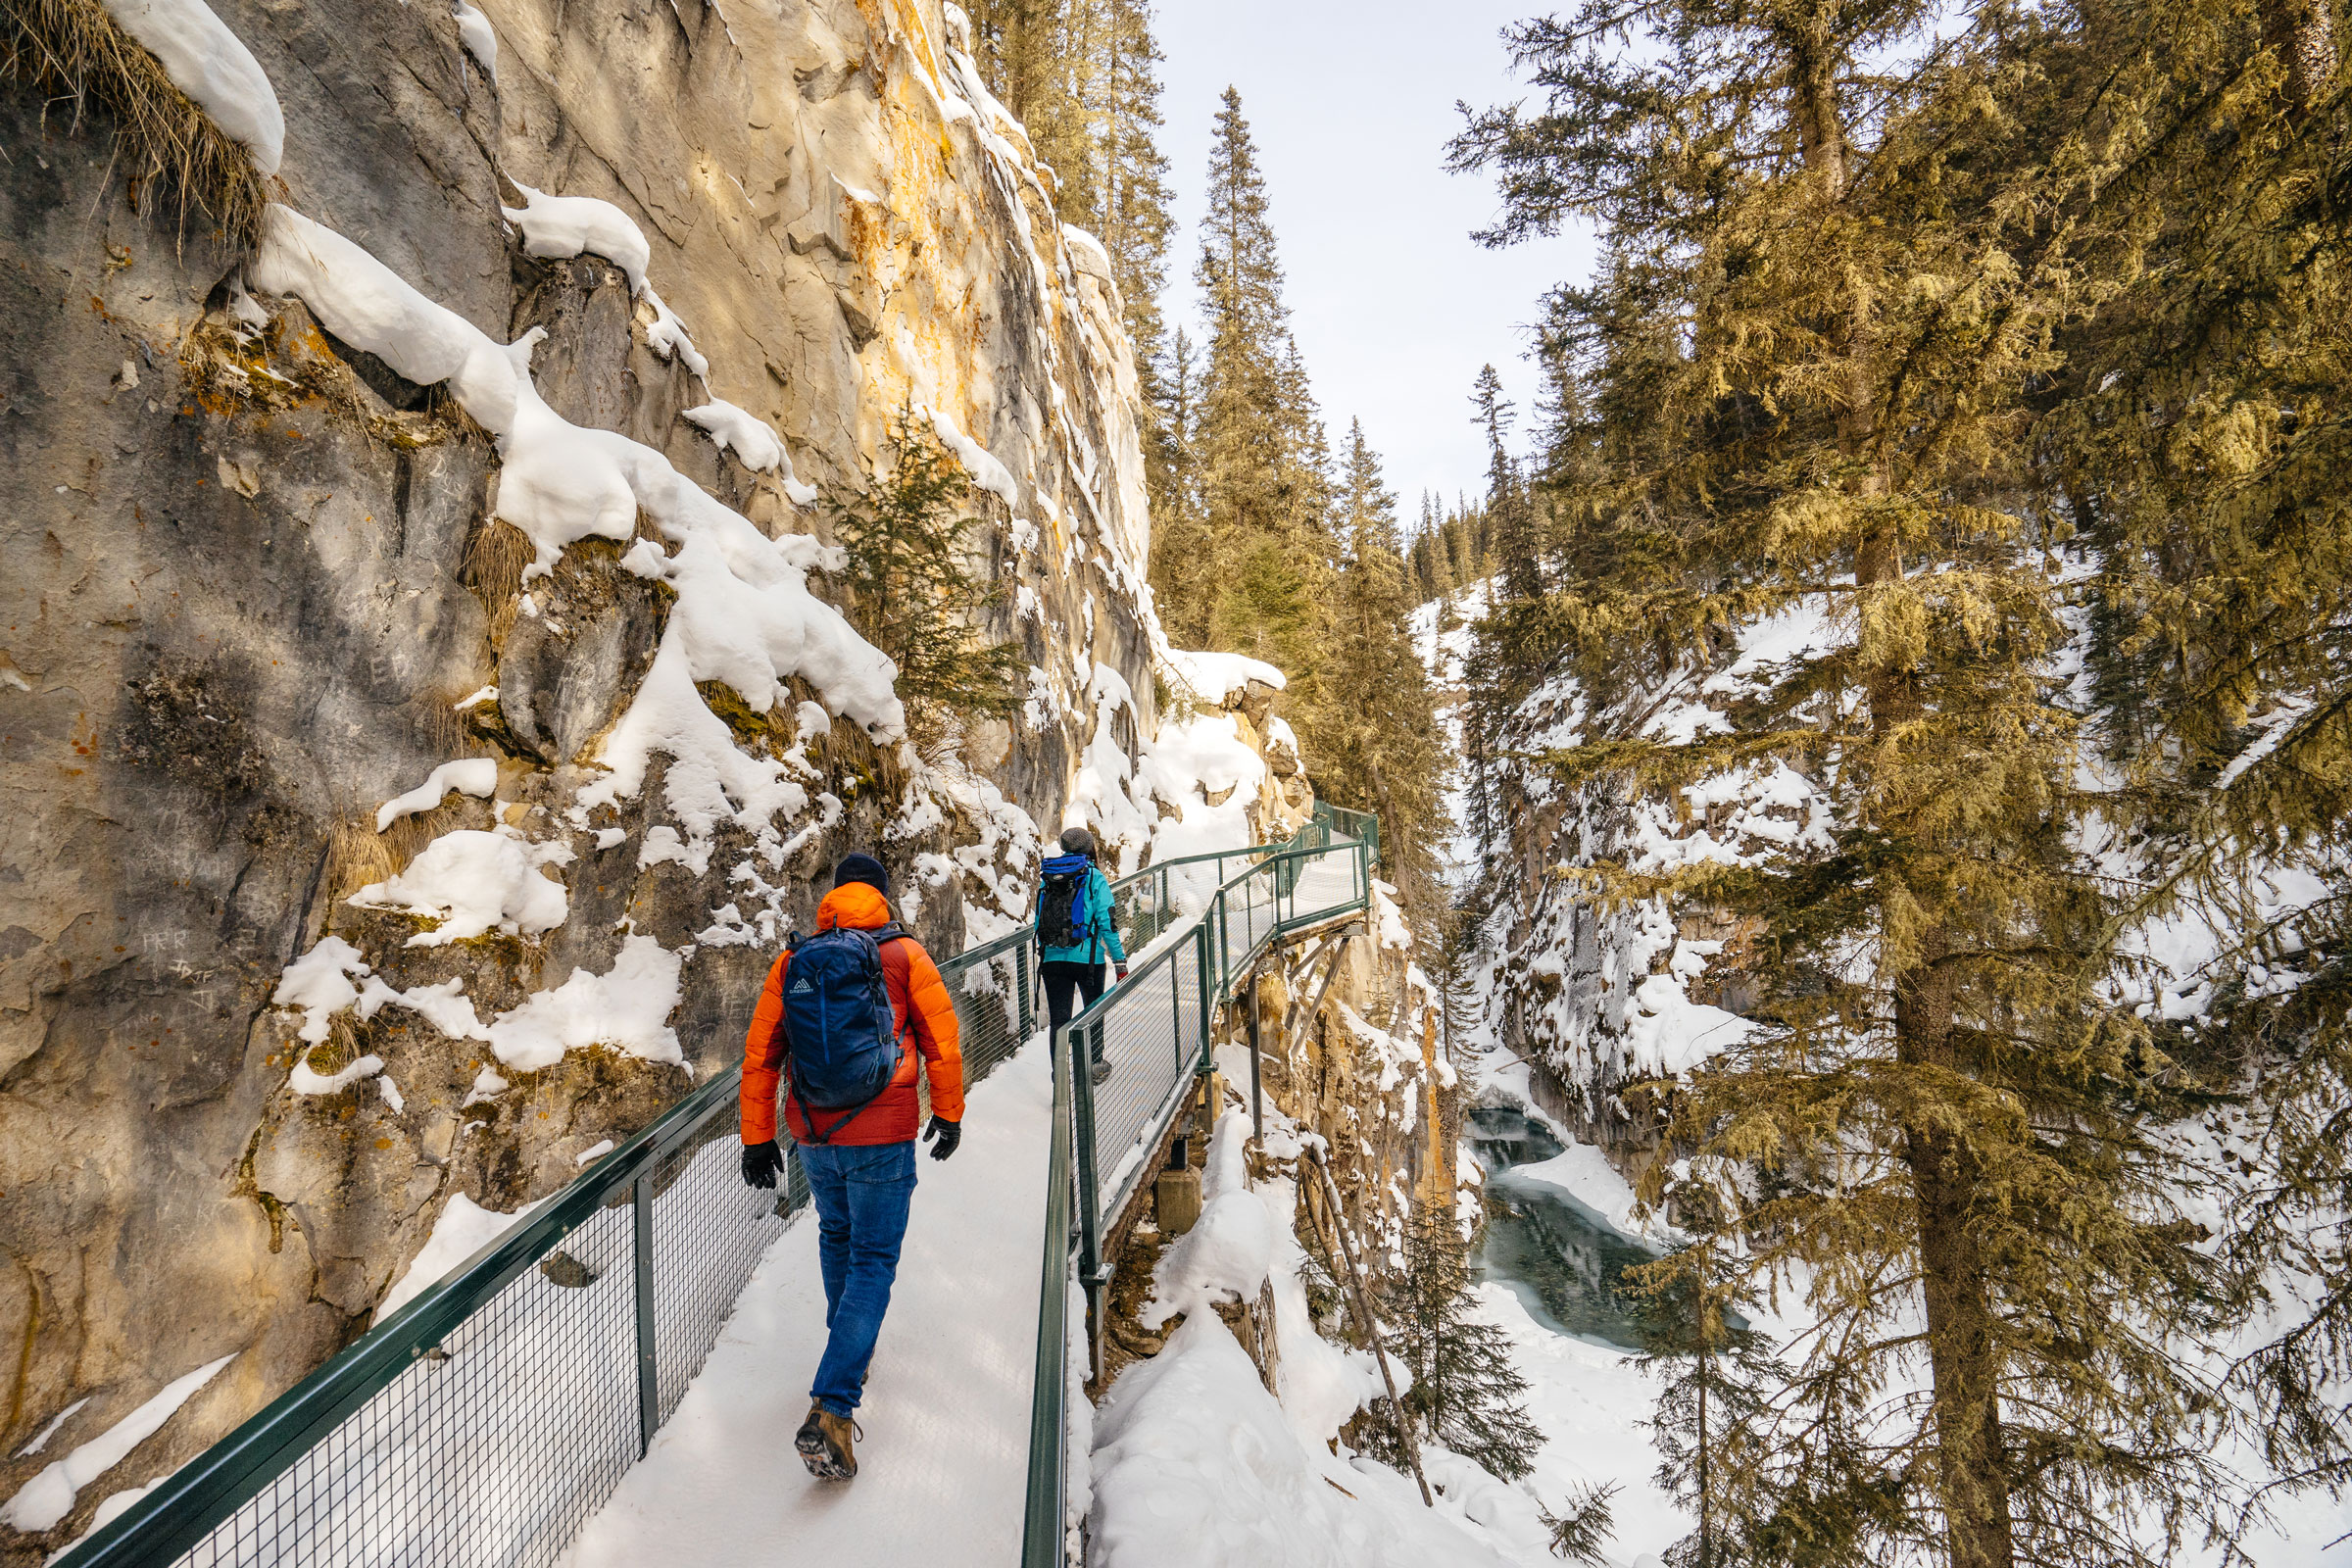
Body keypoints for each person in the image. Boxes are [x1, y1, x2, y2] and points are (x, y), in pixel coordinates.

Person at [738, 852, 963, 1483]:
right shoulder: (905, 956)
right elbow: (942, 1044)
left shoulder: (795, 961)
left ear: (833, 899)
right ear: (884, 898)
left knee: (836, 1237)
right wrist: (947, 1115)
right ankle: (833, 1407)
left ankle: (850, 1352)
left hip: (814, 1134)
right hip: (884, 1134)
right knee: (873, 1259)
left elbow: (762, 1057)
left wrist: (759, 1140)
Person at [1036, 825, 1127, 1082]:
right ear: (1089, 848)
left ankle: (1060, 1077)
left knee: (1059, 1021)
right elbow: (1107, 922)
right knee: (1093, 1013)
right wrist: (1119, 961)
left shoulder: (1049, 876)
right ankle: (1094, 1066)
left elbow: (1037, 922)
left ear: (1064, 848)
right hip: (1088, 960)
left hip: (1052, 960)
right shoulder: (1093, 876)